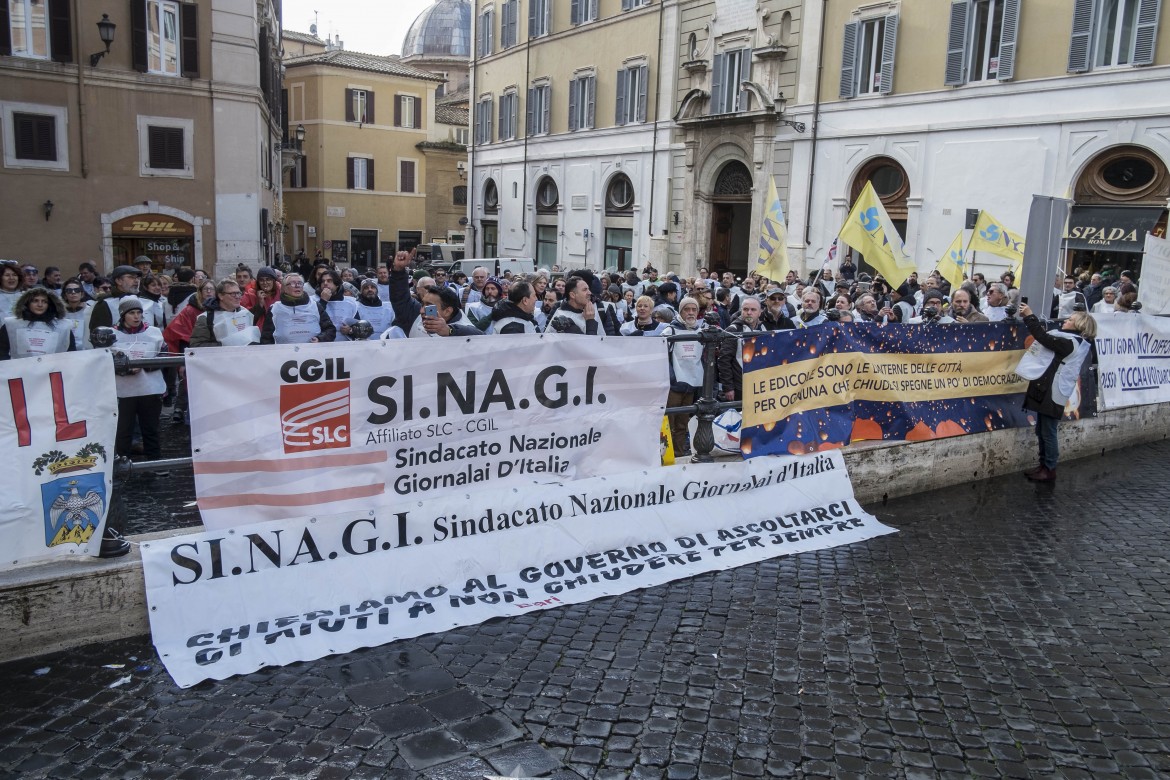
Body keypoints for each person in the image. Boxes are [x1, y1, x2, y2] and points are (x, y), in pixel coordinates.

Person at [1016, 303, 1096, 482]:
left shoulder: (1069, 342)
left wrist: (1029, 316)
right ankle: (1044, 465)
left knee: (1048, 431)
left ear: (1079, 325)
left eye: (1070, 320)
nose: (1066, 321)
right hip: (1051, 390)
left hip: (1053, 391)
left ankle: (1049, 468)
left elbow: (1043, 337)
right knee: (1042, 429)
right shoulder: (1076, 342)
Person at [111, 297, 167, 462]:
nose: (136, 317)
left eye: (139, 313)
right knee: (123, 431)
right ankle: (123, 464)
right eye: (132, 313)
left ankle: (155, 462)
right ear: (123, 315)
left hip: (149, 388)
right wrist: (124, 369)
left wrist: (145, 365)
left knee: (150, 429)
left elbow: (164, 355)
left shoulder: (154, 333)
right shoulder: (112, 334)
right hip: (124, 390)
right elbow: (105, 359)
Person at [387, 252, 482, 337]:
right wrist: (398, 271)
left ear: (447, 311)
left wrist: (450, 330)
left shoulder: (464, 328)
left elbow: (481, 338)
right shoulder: (416, 316)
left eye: (429, 306)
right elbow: (400, 298)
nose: (421, 310)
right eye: (423, 304)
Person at [0, 287, 75, 359]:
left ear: (49, 304)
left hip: (53, 370)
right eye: (35, 301)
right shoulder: (12, 325)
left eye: (44, 301)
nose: (40, 305)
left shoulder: (63, 326)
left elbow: (71, 353)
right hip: (19, 370)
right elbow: (2, 352)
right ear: (27, 303)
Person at [260, 273, 335, 344]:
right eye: (293, 283)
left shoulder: (315, 305)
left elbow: (330, 329)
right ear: (284, 288)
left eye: (300, 283)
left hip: (313, 354)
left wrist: (320, 339)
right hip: (284, 355)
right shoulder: (274, 309)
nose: (297, 286)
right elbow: (266, 338)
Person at [717, 296, 764, 401]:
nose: (749, 312)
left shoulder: (763, 329)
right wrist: (728, 387)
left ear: (760, 312)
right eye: (746, 309)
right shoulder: (733, 330)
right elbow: (724, 359)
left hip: (758, 385)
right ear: (741, 311)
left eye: (753, 309)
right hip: (739, 386)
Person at [190, 279, 259, 347]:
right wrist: (223, 345)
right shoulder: (207, 318)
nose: (238, 297)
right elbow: (196, 345)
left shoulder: (245, 313)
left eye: (238, 293)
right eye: (233, 294)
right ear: (221, 296)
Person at [240, 266, 281, 332]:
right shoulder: (250, 294)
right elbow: (245, 318)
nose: (265, 283)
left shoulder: (282, 292)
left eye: (268, 279)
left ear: (273, 281)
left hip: (279, 329)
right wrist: (260, 304)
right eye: (261, 280)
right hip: (259, 332)